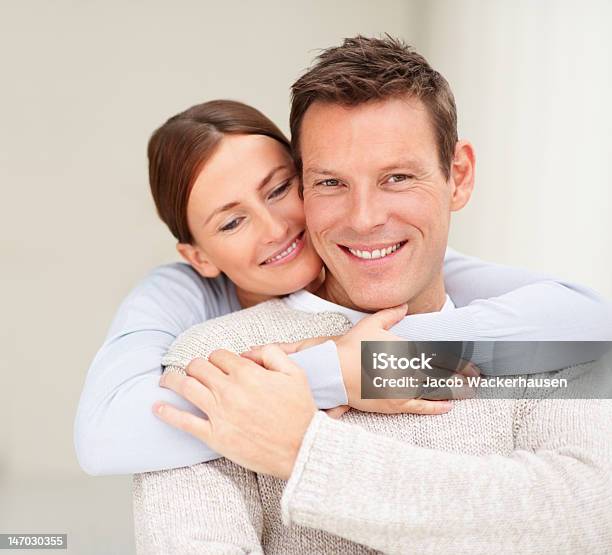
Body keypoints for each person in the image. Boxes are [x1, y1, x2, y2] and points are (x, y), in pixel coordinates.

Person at [135, 36, 612, 553]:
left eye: (397, 177)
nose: (364, 219)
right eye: (330, 183)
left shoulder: (551, 346)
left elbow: (586, 521)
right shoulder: (213, 366)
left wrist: (305, 453)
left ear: (458, 176)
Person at [75, 107, 611, 476]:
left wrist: (378, 361)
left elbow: (590, 321)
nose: (275, 228)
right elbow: (104, 437)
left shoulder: (375, 263)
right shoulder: (182, 301)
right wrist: (334, 373)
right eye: (232, 222)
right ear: (200, 256)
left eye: (281, 189)